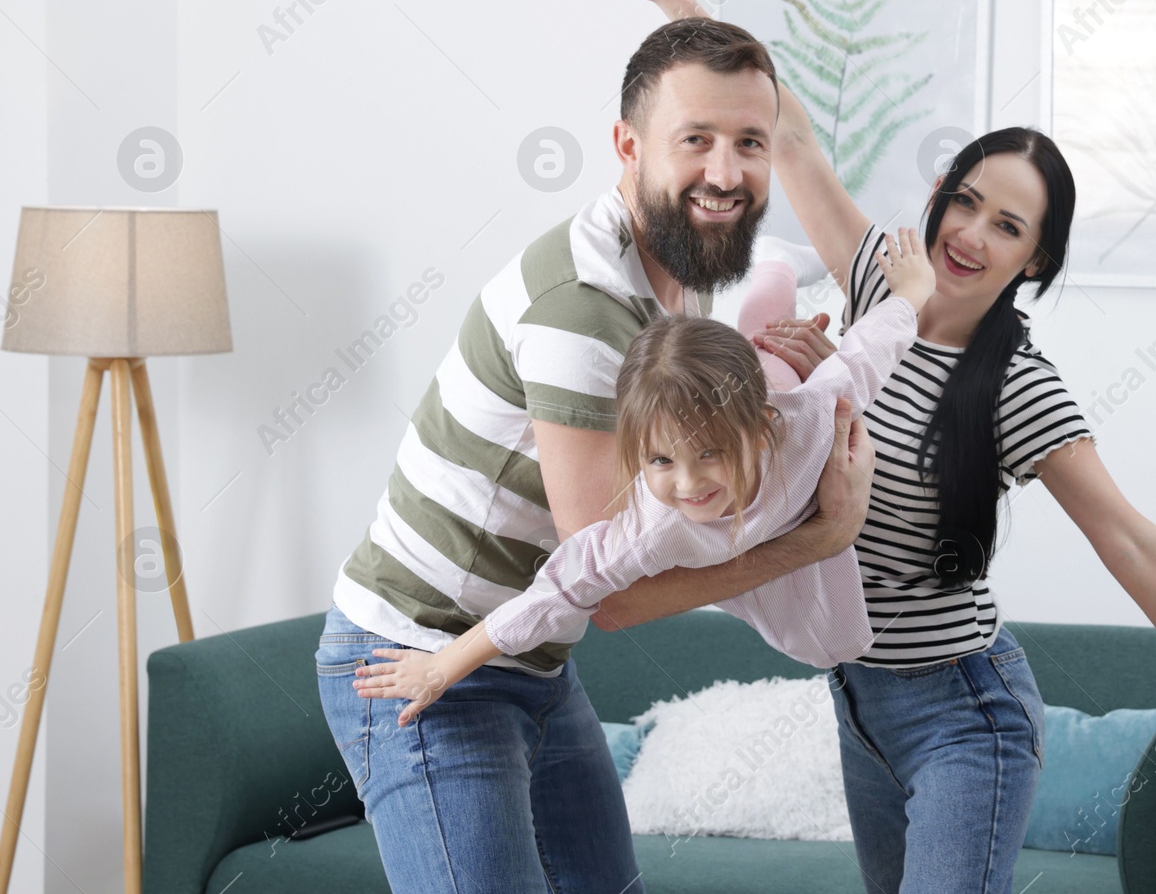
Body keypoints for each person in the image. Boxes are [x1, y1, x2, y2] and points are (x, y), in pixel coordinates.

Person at [575, 0, 1156, 894]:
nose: (970, 233)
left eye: (1008, 226)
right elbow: (792, 130)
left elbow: (1129, 538)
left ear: (1033, 262)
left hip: (965, 711)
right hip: (857, 702)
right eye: (966, 200)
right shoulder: (869, 283)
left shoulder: (1017, 387)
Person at [315, 15, 880, 894]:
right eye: (695, 140)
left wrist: (780, 395)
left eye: (749, 143)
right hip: (423, 661)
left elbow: (686, 457)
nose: (726, 173)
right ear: (627, 145)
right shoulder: (585, 313)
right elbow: (612, 587)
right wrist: (816, 537)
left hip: (531, 661)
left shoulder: (672, 273)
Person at [351, 229, 936, 725]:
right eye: (661, 461)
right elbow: (554, 594)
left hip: (772, 401)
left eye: (709, 455)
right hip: (754, 494)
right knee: (760, 351)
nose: (688, 485)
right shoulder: (648, 529)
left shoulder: (811, 419)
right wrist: (441, 666)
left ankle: (775, 264)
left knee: (770, 343)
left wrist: (914, 289)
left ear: (761, 433)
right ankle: (773, 271)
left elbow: (868, 352)